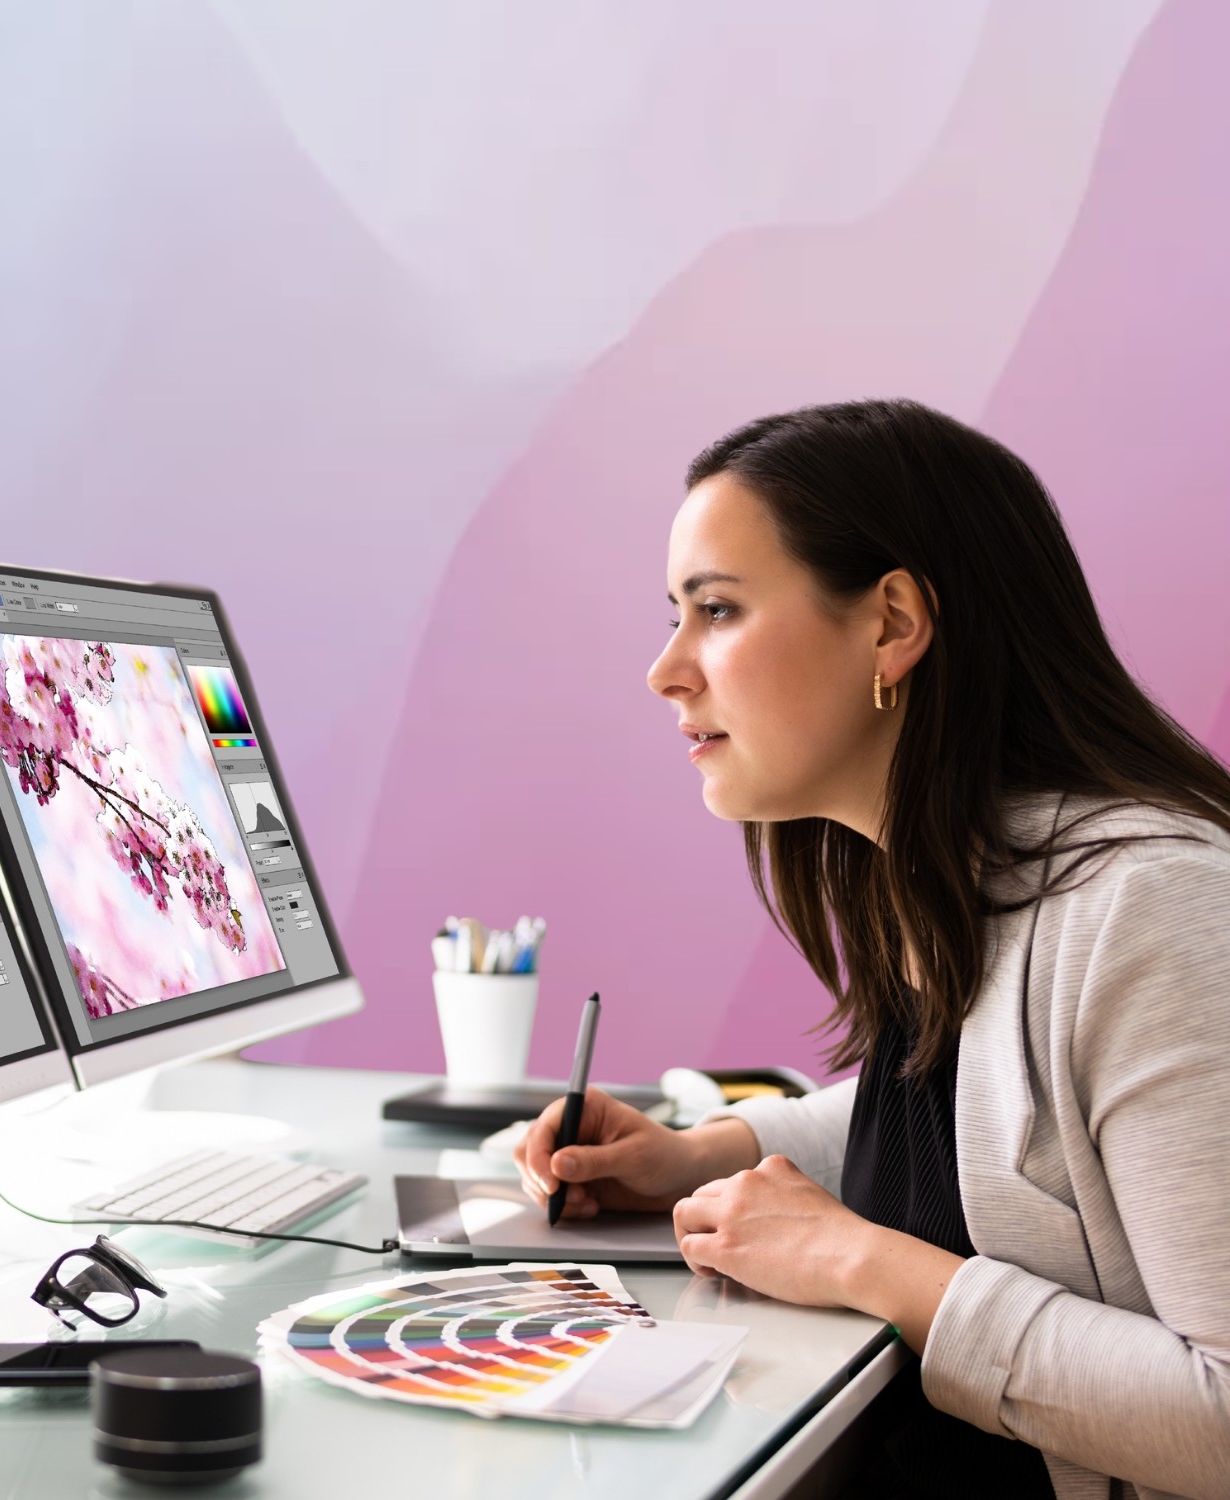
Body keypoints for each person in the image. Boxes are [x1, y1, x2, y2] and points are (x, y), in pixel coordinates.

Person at [513, 400, 1230, 1500]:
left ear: (893, 623)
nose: (667, 669)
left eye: (716, 610)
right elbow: (982, 1127)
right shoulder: (964, 875)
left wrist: (861, 1261)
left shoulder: (1153, 910)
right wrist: (706, 1151)